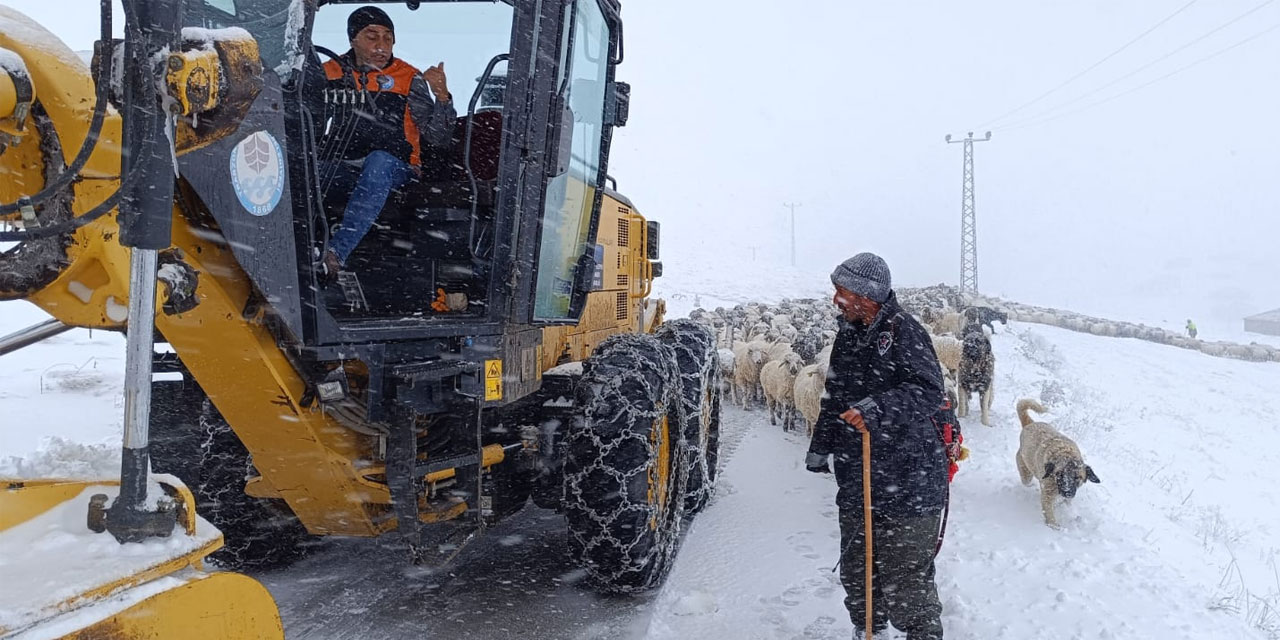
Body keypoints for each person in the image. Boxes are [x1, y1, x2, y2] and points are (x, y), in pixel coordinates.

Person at [805, 253, 947, 640]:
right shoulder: (848, 334)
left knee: (905, 574)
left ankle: (922, 633)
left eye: (843, 291)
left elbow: (930, 391)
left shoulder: (905, 333)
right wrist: (822, 444)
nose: (836, 299)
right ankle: (869, 628)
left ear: (868, 296)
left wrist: (877, 408)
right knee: (858, 566)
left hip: (908, 477)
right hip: (859, 474)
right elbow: (835, 393)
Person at [319, 6, 457, 274]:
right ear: (352, 39)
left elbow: (438, 137)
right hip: (344, 167)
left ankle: (336, 254)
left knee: (379, 161)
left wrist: (442, 96)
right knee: (300, 170)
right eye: (372, 36)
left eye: (388, 38)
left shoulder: (408, 78)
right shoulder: (329, 73)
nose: (381, 45)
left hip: (398, 169)